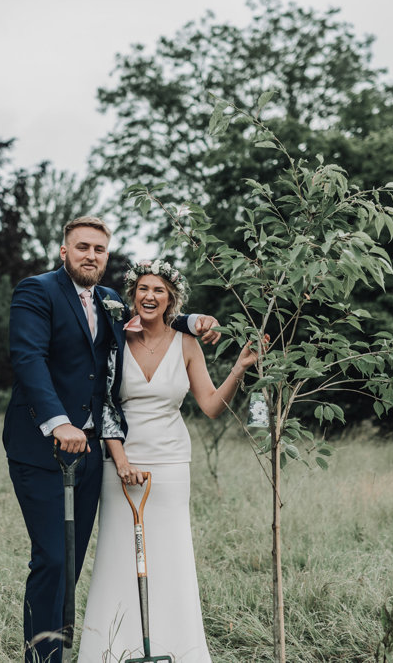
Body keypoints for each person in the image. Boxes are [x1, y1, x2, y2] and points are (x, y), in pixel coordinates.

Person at [4, 218, 219, 663]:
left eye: (99, 249)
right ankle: (42, 660)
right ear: (64, 251)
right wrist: (58, 421)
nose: (91, 255)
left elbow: (159, 315)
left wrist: (197, 321)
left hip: (90, 455)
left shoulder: (110, 301)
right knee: (53, 562)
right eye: (82, 247)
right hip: (43, 447)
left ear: (106, 256)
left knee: (72, 565)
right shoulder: (36, 291)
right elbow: (28, 358)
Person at [77, 260, 262, 663]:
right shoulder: (115, 340)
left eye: (159, 290)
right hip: (121, 463)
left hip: (172, 462)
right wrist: (121, 461)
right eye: (143, 288)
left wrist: (239, 369)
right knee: (117, 555)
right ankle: (110, 650)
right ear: (132, 294)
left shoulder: (187, 343)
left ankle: (177, 650)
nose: (149, 295)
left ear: (171, 298)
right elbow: (105, 404)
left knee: (172, 556)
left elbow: (211, 405)